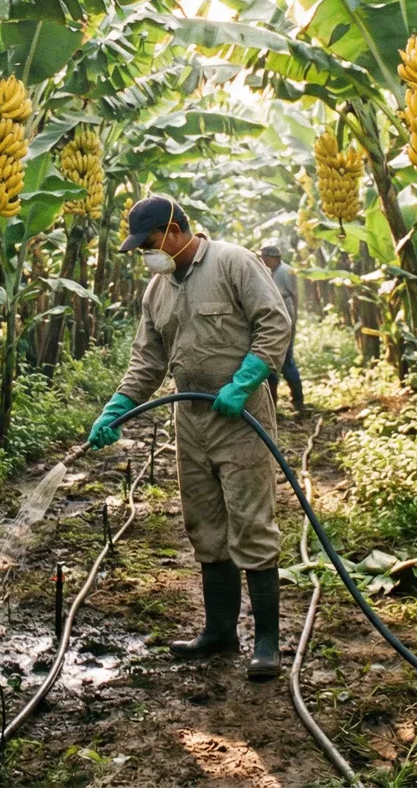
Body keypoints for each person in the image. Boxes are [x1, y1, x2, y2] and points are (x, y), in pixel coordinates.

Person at [85, 197, 293, 680]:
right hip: (191, 420)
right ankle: (220, 631)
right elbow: (147, 360)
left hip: (242, 418)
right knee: (205, 526)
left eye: (151, 243)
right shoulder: (157, 289)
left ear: (176, 230)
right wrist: (117, 408)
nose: (148, 255)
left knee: (251, 525)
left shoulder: (233, 262)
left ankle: (267, 642)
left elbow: (274, 323)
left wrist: (243, 383)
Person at [260, 245, 305, 414]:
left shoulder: (285, 271)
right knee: (271, 359)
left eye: (265, 258)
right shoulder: (270, 271)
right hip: (274, 317)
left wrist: (294, 319)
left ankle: (298, 400)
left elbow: (294, 295)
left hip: (285, 315)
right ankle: (273, 403)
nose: (264, 261)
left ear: (274, 258)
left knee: (286, 360)